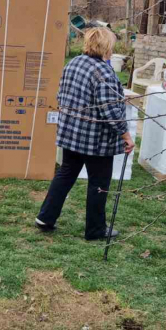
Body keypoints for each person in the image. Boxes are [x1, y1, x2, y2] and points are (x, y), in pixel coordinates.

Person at [36, 27, 135, 241]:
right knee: (99, 183)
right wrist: (126, 135)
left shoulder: (74, 63)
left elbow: (62, 95)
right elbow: (109, 110)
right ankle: (95, 230)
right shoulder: (104, 72)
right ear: (106, 46)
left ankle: (45, 217)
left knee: (65, 174)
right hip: (95, 140)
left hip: (71, 133)